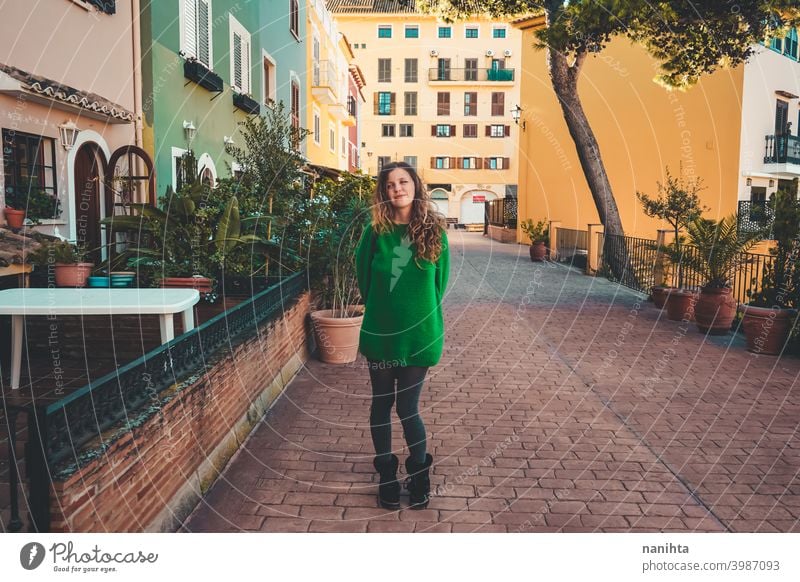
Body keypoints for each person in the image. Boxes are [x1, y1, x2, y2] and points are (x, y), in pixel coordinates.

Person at [355, 161, 450, 510]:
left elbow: (438, 285)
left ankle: (419, 473)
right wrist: (382, 309)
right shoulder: (374, 233)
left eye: (403, 181)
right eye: (391, 184)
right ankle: (386, 475)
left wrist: (416, 313)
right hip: (381, 334)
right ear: (384, 192)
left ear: (415, 186)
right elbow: (363, 276)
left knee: (408, 408)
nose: (397, 188)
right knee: (382, 403)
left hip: (420, 335)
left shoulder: (434, 231)